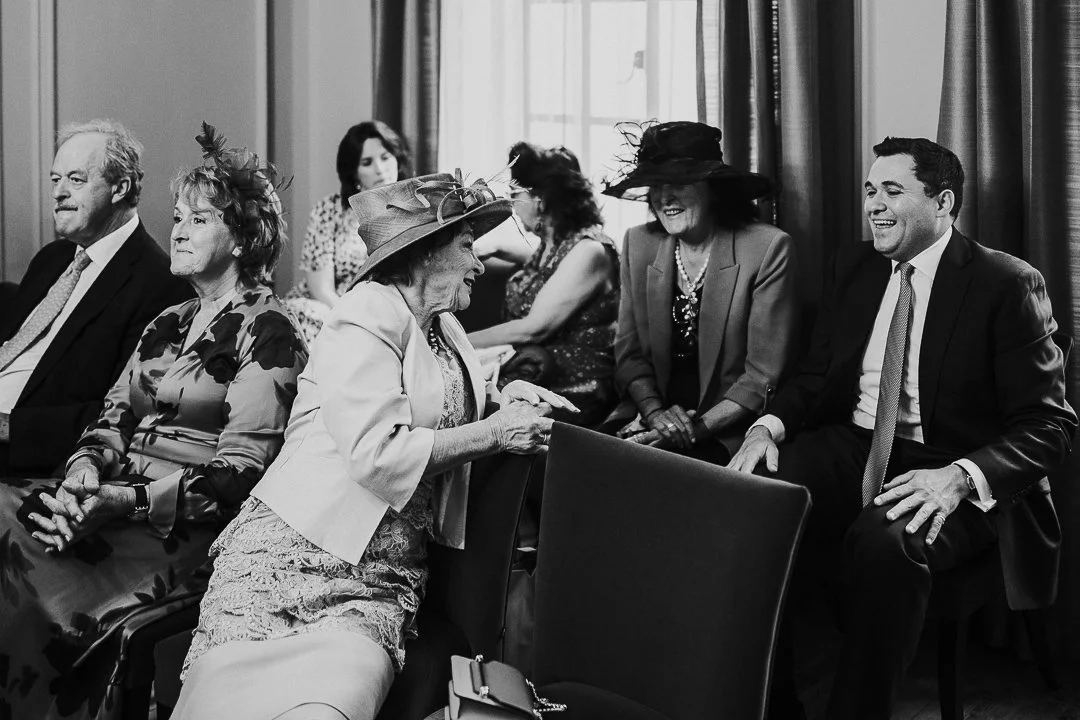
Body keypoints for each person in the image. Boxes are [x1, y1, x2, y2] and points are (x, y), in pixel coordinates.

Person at [173, 171, 574, 720]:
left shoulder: (445, 327)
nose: (480, 263)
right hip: (294, 554)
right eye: (466, 247)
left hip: (378, 578)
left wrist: (504, 395)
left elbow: (445, 396)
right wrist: (499, 432)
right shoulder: (365, 313)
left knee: (333, 707)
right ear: (426, 253)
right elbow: (377, 452)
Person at [727, 137, 1077, 720]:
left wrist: (961, 479)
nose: (874, 205)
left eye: (893, 190)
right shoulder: (855, 266)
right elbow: (816, 376)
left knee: (885, 542)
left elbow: (1049, 425)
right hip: (856, 442)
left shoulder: (1007, 283)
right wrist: (766, 427)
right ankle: (769, 704)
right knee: (750, 499)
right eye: (870, 190)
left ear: (944, 203)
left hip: (954, 462)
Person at [0, 123, 308, 720]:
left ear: (243, 239)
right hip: (108, 505)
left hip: (174, 532)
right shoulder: (167, 320)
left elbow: (238, 477)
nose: (178, 229)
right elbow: (110, 420)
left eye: (199, 218)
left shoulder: (269, 330)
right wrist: (84, 478)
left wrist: (117, 502)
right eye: (177, 215)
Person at [0, 119, 192, 477]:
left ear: (120, 188)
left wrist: (7, 427)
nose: (58, 193)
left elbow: (121, 412)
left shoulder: (160, 284)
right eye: (55, 180)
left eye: (76, 180)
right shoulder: (52, 259)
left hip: (27, 455)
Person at [600, 120, 799, 464]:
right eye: (656, 184)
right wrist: (655, 415)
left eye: (679, 182)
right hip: (648, 414)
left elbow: (760, 376)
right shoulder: (638, 243)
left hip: (724, 424)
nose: (665, 196)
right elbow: (629, 355)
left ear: (712, 188)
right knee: (577, 470)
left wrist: (692, 430)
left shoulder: (767, 248)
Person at [468, 141, 619, 426]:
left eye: (515, 195)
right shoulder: (553, 245)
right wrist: (498, 247)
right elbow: (550, 271)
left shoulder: (590, 251)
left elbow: (533, 329)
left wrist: (459, 343)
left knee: (474, 403)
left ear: (540, 199)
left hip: (574, 387)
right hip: (536, 371)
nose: (512, 206)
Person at [283, 120, 412, 344]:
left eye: (385, 157)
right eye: (367, 162)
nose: (380, 169)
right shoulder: (329, 210)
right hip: (333, 307)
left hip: (389, 313)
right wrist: (356, 320)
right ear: (354, 172)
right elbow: (320, 289)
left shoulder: (413, 210)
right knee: (302, 315)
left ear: (397, 159)